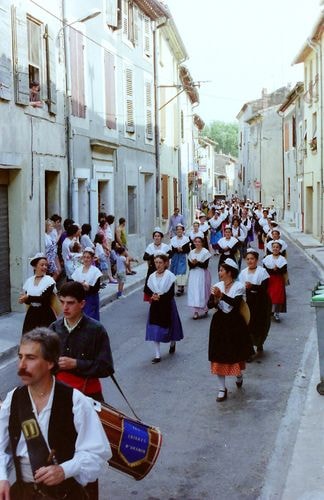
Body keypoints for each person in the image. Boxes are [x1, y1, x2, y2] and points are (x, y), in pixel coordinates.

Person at [0, 327, 111, 500]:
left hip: (65, 494)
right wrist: (2, 477)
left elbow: (96, 453)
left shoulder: (75, 401)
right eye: (20, 357)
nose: (21, 366)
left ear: (50, 362)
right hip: (24, 494)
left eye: (30, 358)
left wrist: (64, 470)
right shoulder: (13, 399)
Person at [49, 281, 114, 402]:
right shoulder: (54, 328)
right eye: (62, 302)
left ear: (82, 303)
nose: (65, 307)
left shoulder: (96, 330)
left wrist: (76, 363)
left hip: (88, 395)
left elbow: (106, 367)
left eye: (70, 303)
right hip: (59, 393)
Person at [208, 259, 254, 402]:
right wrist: (215, 299)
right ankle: (222, 388)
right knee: (218, 355)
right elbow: (209, 305)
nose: (219, 273)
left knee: (234, 353)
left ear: (229, 272)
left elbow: (235, 304)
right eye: (219, 270)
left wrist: (222, 296)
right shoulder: (217, 286)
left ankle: (238, 374)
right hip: (219, 323)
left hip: (234, 324)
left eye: (222, 270)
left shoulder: (239, 287)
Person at [145, 254, 183, 363]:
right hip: (156, 306)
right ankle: (157, 354)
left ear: (165, 263)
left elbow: (171, 293)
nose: (158, 265)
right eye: (156, 262)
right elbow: (147, 289)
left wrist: (160, 296)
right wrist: (152, 295)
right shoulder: (152, 276)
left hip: (167, 304)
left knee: (170, 327)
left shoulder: (169, 276)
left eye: (160, 262)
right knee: (155, 329)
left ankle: (172, 342)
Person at [239, 248, 272, 354]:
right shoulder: (243, 273)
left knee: (260, 323)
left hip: (261, 301)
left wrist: (252, 286)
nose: (249, 261)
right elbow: (240, 288)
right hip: (249, 302)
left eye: (252, 259)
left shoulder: (262, 272)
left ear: (256, 260)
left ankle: (259, 343)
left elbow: (264, 288)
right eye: (247, 259)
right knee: (249, 324)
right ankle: (250, 349)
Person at [19, 253, 57, 335]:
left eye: (46, 265)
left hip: (45, 314)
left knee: (45, 339)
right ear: (35, 267)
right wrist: (24, 299)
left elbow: (45, 299)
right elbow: (28, 301)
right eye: (42, 265)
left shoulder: (49, 280)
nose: (45, 267)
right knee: (30, 338)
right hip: (32, 314)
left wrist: (28, 298)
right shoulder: (29, 281)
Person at [71, 247, 102, 320]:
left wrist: (87, 287)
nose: (86, 259)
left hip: (91, 298)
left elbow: (96, 288)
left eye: (88, 257)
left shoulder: (95, 271)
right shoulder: (78, 270)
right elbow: (73, 284)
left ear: (92, 259)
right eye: (84, 257)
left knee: (90, 318)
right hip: (79, 298)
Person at [143, 228, 171, 301]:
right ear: (153, 237)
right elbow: (145, 257)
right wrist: (152, 256)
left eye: (158, 236)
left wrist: (164, 257)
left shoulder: (165, 246)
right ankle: (152, 300)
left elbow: (171, 254)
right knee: (152, 285)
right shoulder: (150, 247)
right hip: (152, 269)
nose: (157, 238)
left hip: (162, 270)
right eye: (155, 236)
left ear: (161, 237)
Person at [187, 235, 211, 319]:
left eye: (199, 242)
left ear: (202, 243)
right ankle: (195, 311)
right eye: (195, 242)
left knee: (202, 291)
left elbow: (205, 265)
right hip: (193, 274)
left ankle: (205, 307)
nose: (197, 243)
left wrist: (197, 262)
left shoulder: (205, 252)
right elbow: (189, 265)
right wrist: (193, 264)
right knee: (194, 291)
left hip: (202, 273)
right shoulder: (192, 252)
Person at [263, 241, 288, 322]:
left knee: (278, 296)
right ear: (271, 248)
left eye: (277, 247)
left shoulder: (282, 259)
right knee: (270, 295)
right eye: (274, 247)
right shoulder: (267, 258)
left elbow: (284, 270)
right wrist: (272, 269)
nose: (275, 248)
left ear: (280, 249)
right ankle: (270, 311)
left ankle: (277, 313)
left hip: (278, 279)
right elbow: (265, 269)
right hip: (270, 279)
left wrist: (278, 269)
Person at [170, 224, 191, 296]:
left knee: (181, 271)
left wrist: (182, 249)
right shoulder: (173, 239)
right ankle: (179, 286)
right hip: (175, 257)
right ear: (176, 231)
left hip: (183, 257)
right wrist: (176, 249)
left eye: (180, 229)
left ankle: (180, 287)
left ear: (183, 230)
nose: (179, 231)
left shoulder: (186, 239)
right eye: (178, 229)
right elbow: (171, 249)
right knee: (175, 271)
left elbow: (188, 249)